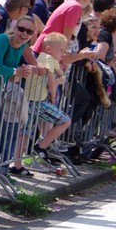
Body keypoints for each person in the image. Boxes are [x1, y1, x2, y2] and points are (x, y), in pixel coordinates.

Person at [0, 15, 38, 182]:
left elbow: (11, 72)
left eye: (29, 31)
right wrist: (16, 71)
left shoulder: (22, 45)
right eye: (21, 29)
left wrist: (23, 71)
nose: (24, 33)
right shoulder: (2, 39)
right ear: (15, 28)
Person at [24, 33, 72, 161]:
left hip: (33, 100)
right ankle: (41, 146)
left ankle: (26, 159)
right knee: (65, 121)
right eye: (61, 50)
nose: (63, 53)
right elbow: (51, 79)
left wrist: (61, 76)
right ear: (49, 49)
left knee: (26, 133)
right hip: (36, 101)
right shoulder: (46, 58)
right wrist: (54, 95)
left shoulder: (52, 60)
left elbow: (60, 74)